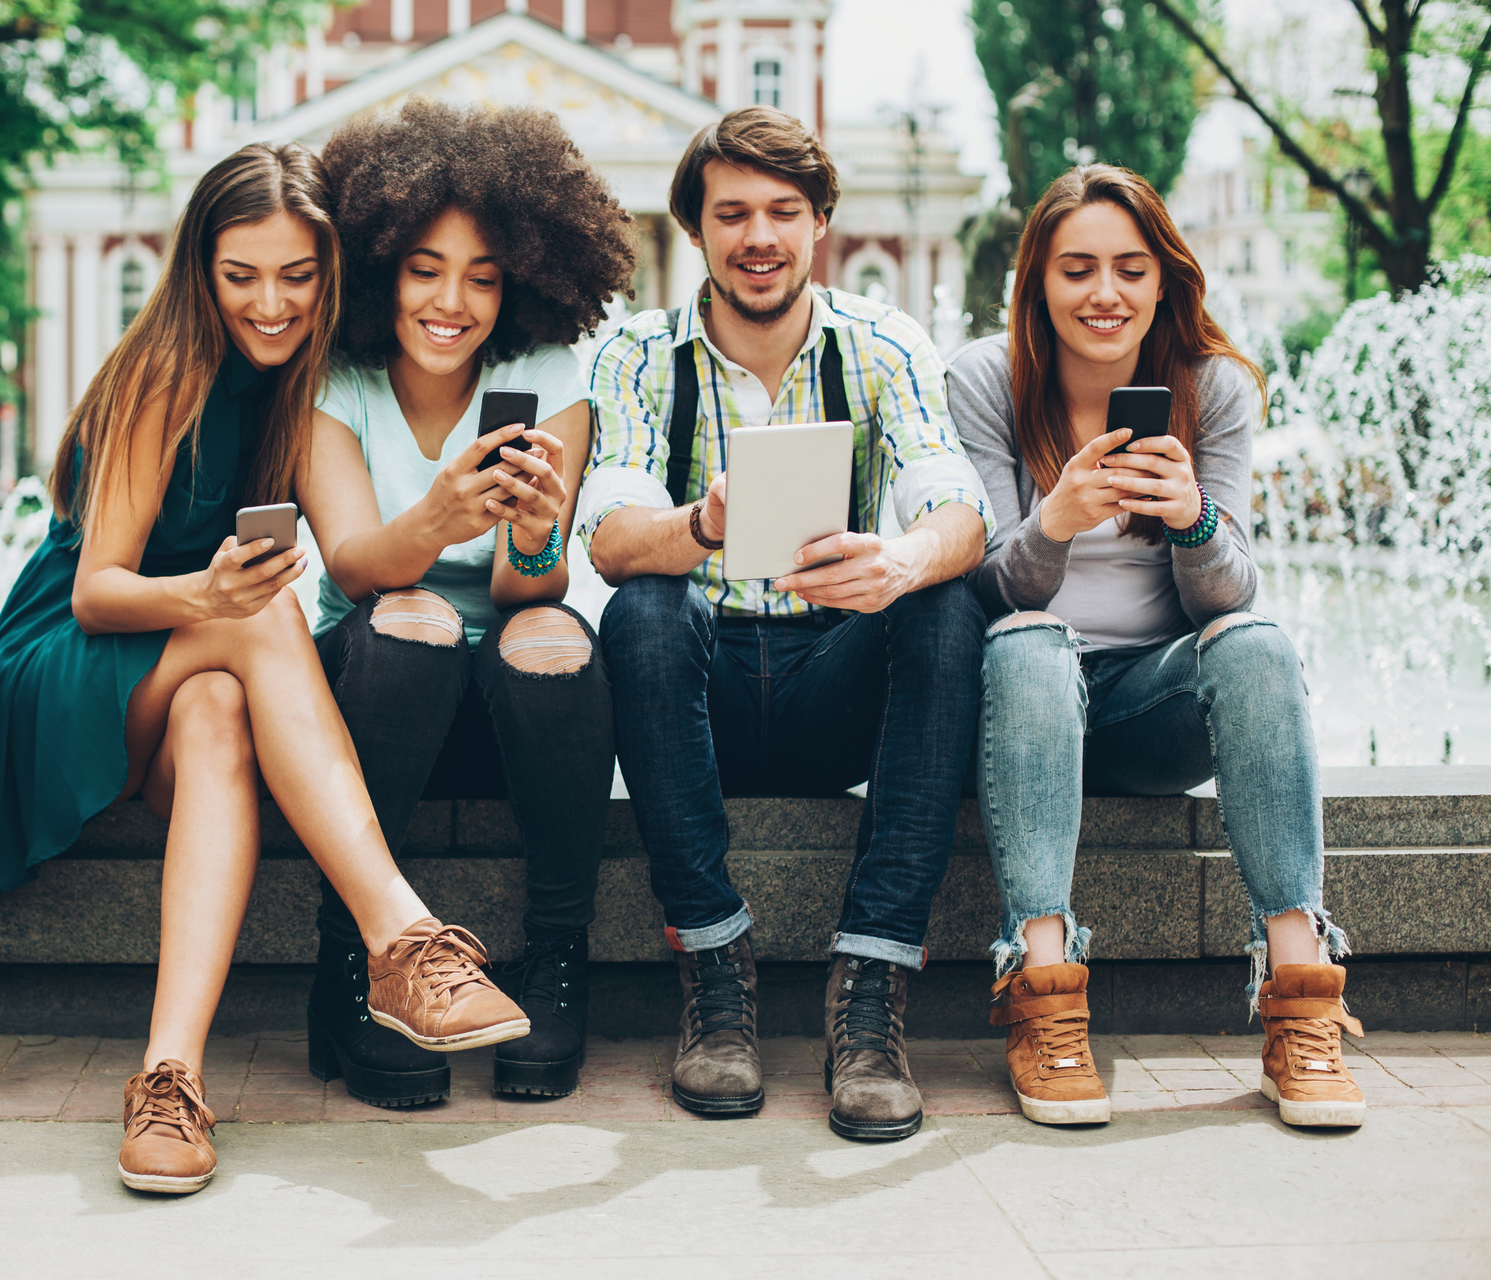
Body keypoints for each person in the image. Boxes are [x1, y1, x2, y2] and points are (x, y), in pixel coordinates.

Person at [0, 142, 529, 1195]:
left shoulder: (303, 386)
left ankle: (169, 1080)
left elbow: (362, 560)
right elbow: (97, 587)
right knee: (262, 614)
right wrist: (210, 597)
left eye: (297, 275)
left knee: (222, 711)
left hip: (190, 671)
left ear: (328, 274)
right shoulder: (164, 370)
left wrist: (450, 512)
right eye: (241, 276)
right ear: (201, 269)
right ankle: (401, 938)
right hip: (67, 657)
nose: (270, 303)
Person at [582, 107, 993, 1141]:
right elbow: (610, 537)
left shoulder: (884, 342)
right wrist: (700, 524)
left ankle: (872, 984)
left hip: (829, 676)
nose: (758, 235)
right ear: (696, 232)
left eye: (782, 211)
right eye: (732, 214)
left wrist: (900, 556)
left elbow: (961, 505)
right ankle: (715, 968)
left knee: (944, 594)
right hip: (704, 684)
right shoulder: (638, 354)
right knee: (645, 604)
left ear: (819, 225)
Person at [946, 163, 1363, 1130]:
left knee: (1258, 641)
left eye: (1132, 270)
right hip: (1023, 711)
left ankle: (1302, 998)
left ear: (1166, 279)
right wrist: (1052, 523)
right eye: (1077, 269)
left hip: (1149, 707)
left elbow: (1230, 595)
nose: (1105, 295)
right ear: (1037, 284)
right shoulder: (986, 381)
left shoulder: (1211, 387)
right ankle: (1042, 992)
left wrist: (1193, 520)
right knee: (1028, 641)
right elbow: (989, 584)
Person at [296, 99, 631, 1105]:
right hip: (373, 694)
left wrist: (531, 526)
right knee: (412, 614)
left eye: (483, 277)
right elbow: (354, 562)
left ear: (522, 283)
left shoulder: (541, 374)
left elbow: (530, 584)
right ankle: (355, 963)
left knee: (547, 633)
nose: (453, 302)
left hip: (513, 708)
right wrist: (441, 514)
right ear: (379, 266)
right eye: (425, 269)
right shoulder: (338, 379)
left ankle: (558, 957)